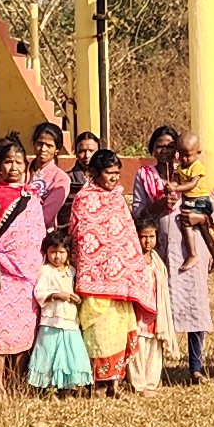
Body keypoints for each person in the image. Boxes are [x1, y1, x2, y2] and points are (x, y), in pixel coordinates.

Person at [64, 149, 161, 397]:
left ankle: (115, 383)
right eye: (109, 173)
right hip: (94, 281)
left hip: (121, 282)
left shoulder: (118, 199)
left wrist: (129, 269)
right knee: (97, 334)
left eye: (117, 173)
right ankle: (96, 383)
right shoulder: (84, 199)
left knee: (119, 332)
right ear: (95, 173)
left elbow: (126, 237)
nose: (114, 178)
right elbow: (81, 237)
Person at [146, 127, 214, 382]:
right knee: (154, 308)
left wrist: (201, 217)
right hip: (158, 252)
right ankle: (154, 367)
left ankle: (195, 367)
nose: (165, 151)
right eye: (160, 146)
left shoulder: (190, 173)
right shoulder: (145, 176)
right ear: (152, 149)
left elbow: (213, 209)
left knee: (194, 305)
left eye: (170, 147)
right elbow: (137, 212)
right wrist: (158, 205)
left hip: (191, 252)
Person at [0, 139, 43, 392]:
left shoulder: (32, 198)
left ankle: (16, 380)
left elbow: (37, 235)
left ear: (26, 166)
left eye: (18, 162)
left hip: (27, 276)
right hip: (0, 273)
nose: (13, 167)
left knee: (24, 329)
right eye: (8, 161)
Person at [24, 231, 90, 395]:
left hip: (69, 320)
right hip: (51, 321)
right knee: (48, 352)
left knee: (69, 353)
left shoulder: (72, 271)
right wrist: (57, 295)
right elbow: (39, 293)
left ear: (68, 253)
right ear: (46, 252)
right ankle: (44, 386)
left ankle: (66, 387)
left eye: (61, 252)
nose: (57, 256)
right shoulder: (45, 271)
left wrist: (76, 298)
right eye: (53, 252)